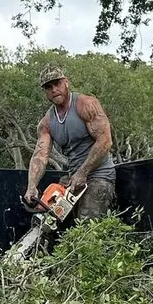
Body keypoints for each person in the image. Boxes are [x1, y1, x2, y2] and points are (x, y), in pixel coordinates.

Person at [24, 65, 116, 220]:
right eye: (48, 87)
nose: (53, 89)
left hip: (99, 176)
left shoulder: (86, 104)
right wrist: (31, 186)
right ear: (44, 91)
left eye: (57, 83)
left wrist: (83, 172)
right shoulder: (46, 122)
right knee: (46, 222)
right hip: (72, 180)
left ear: (66, 82)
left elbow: (105, 141)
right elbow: (40, 156)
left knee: (87, 225)